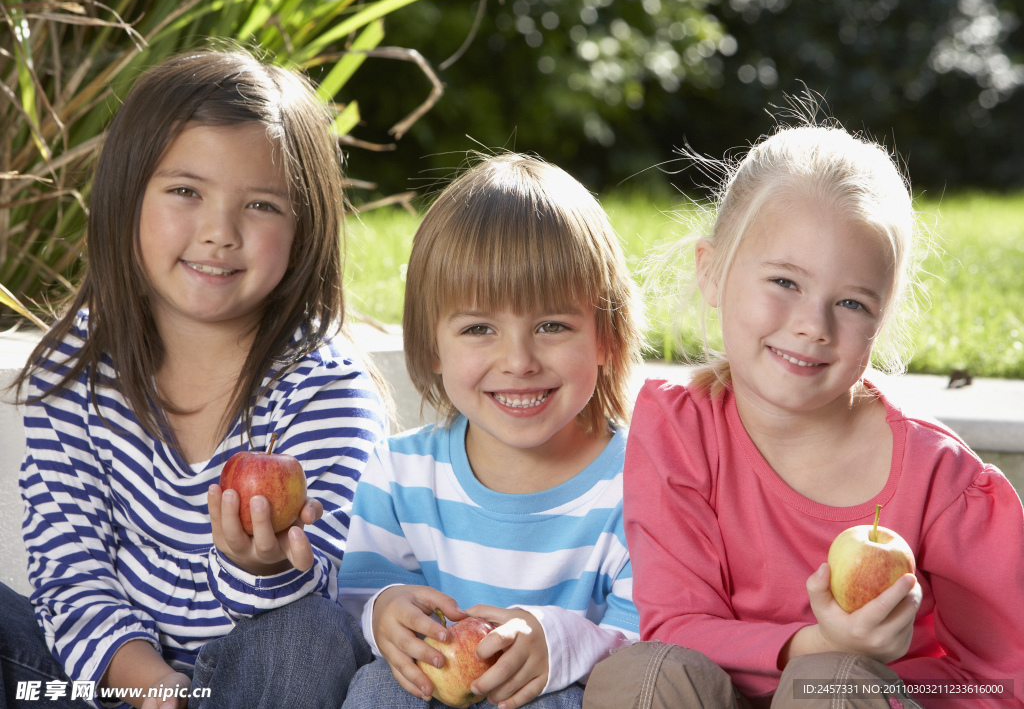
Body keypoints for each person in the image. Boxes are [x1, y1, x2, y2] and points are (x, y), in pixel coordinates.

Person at [583, 124, 1024, 709]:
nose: (814, 324)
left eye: (851, 303)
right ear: (711, 272)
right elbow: (676, 627)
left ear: (882, 318)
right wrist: (814, 642)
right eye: (785, 281)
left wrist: (862, 667)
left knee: (832, 686)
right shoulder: (679, 429)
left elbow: (1000, 682)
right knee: (641, 674)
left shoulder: (941, 481)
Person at [0, 48, 387, 709]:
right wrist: (148, 682)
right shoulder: (78, 372)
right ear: (128, 197)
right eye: (185, 191)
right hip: (100, 682)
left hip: (245, 688)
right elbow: (70, 578)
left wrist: (256, 565)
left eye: (262, 205)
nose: (219, 232)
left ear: (305, 227)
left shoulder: (323, 389)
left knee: (309, 634)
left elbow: (321, 601)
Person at [336, 153, 643, 709]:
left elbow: (646, 647)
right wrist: (386, 614)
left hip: (557, 696)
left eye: (552, 325)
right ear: (433, 347)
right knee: (380, 686)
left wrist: (558, 645)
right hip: (431, 688)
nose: (519, 361)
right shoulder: (400, 475)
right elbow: (357, 601)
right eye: (479, 328)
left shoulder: (639, 483)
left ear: (606, 339)